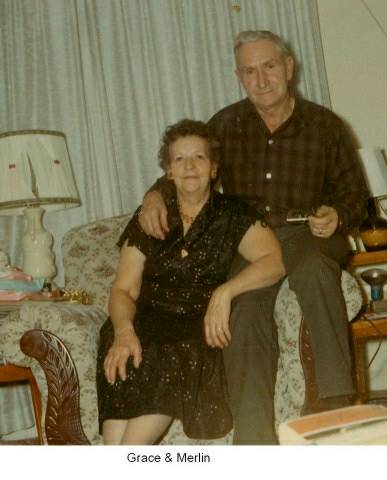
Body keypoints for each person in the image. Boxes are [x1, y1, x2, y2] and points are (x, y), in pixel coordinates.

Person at [139, 30, 368, 444]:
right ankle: (255, 441)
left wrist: (337, 214)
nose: (261, 80)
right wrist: (154, 195)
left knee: (315, 269)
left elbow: (355, 196)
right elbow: (187, 167)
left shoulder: (326, 126)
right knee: (243, 312)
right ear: (238, 76)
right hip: (251, 240)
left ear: (289, 67)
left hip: (309, 233)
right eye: (250, 71)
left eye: (269, 67)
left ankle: (336, 406)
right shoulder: (226, 124)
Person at [96, 119, 284, 445]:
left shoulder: (233, 214)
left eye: (199, 157)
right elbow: (123, 289)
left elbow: (274, 261)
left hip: (192, 330)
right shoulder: (150, 216)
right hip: (139, 324)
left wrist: (226, 291)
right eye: (179, 159)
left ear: (214, 168)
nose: (189, 166)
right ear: (169, 172)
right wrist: (124, 332)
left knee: (131, 441)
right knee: (122, 351)